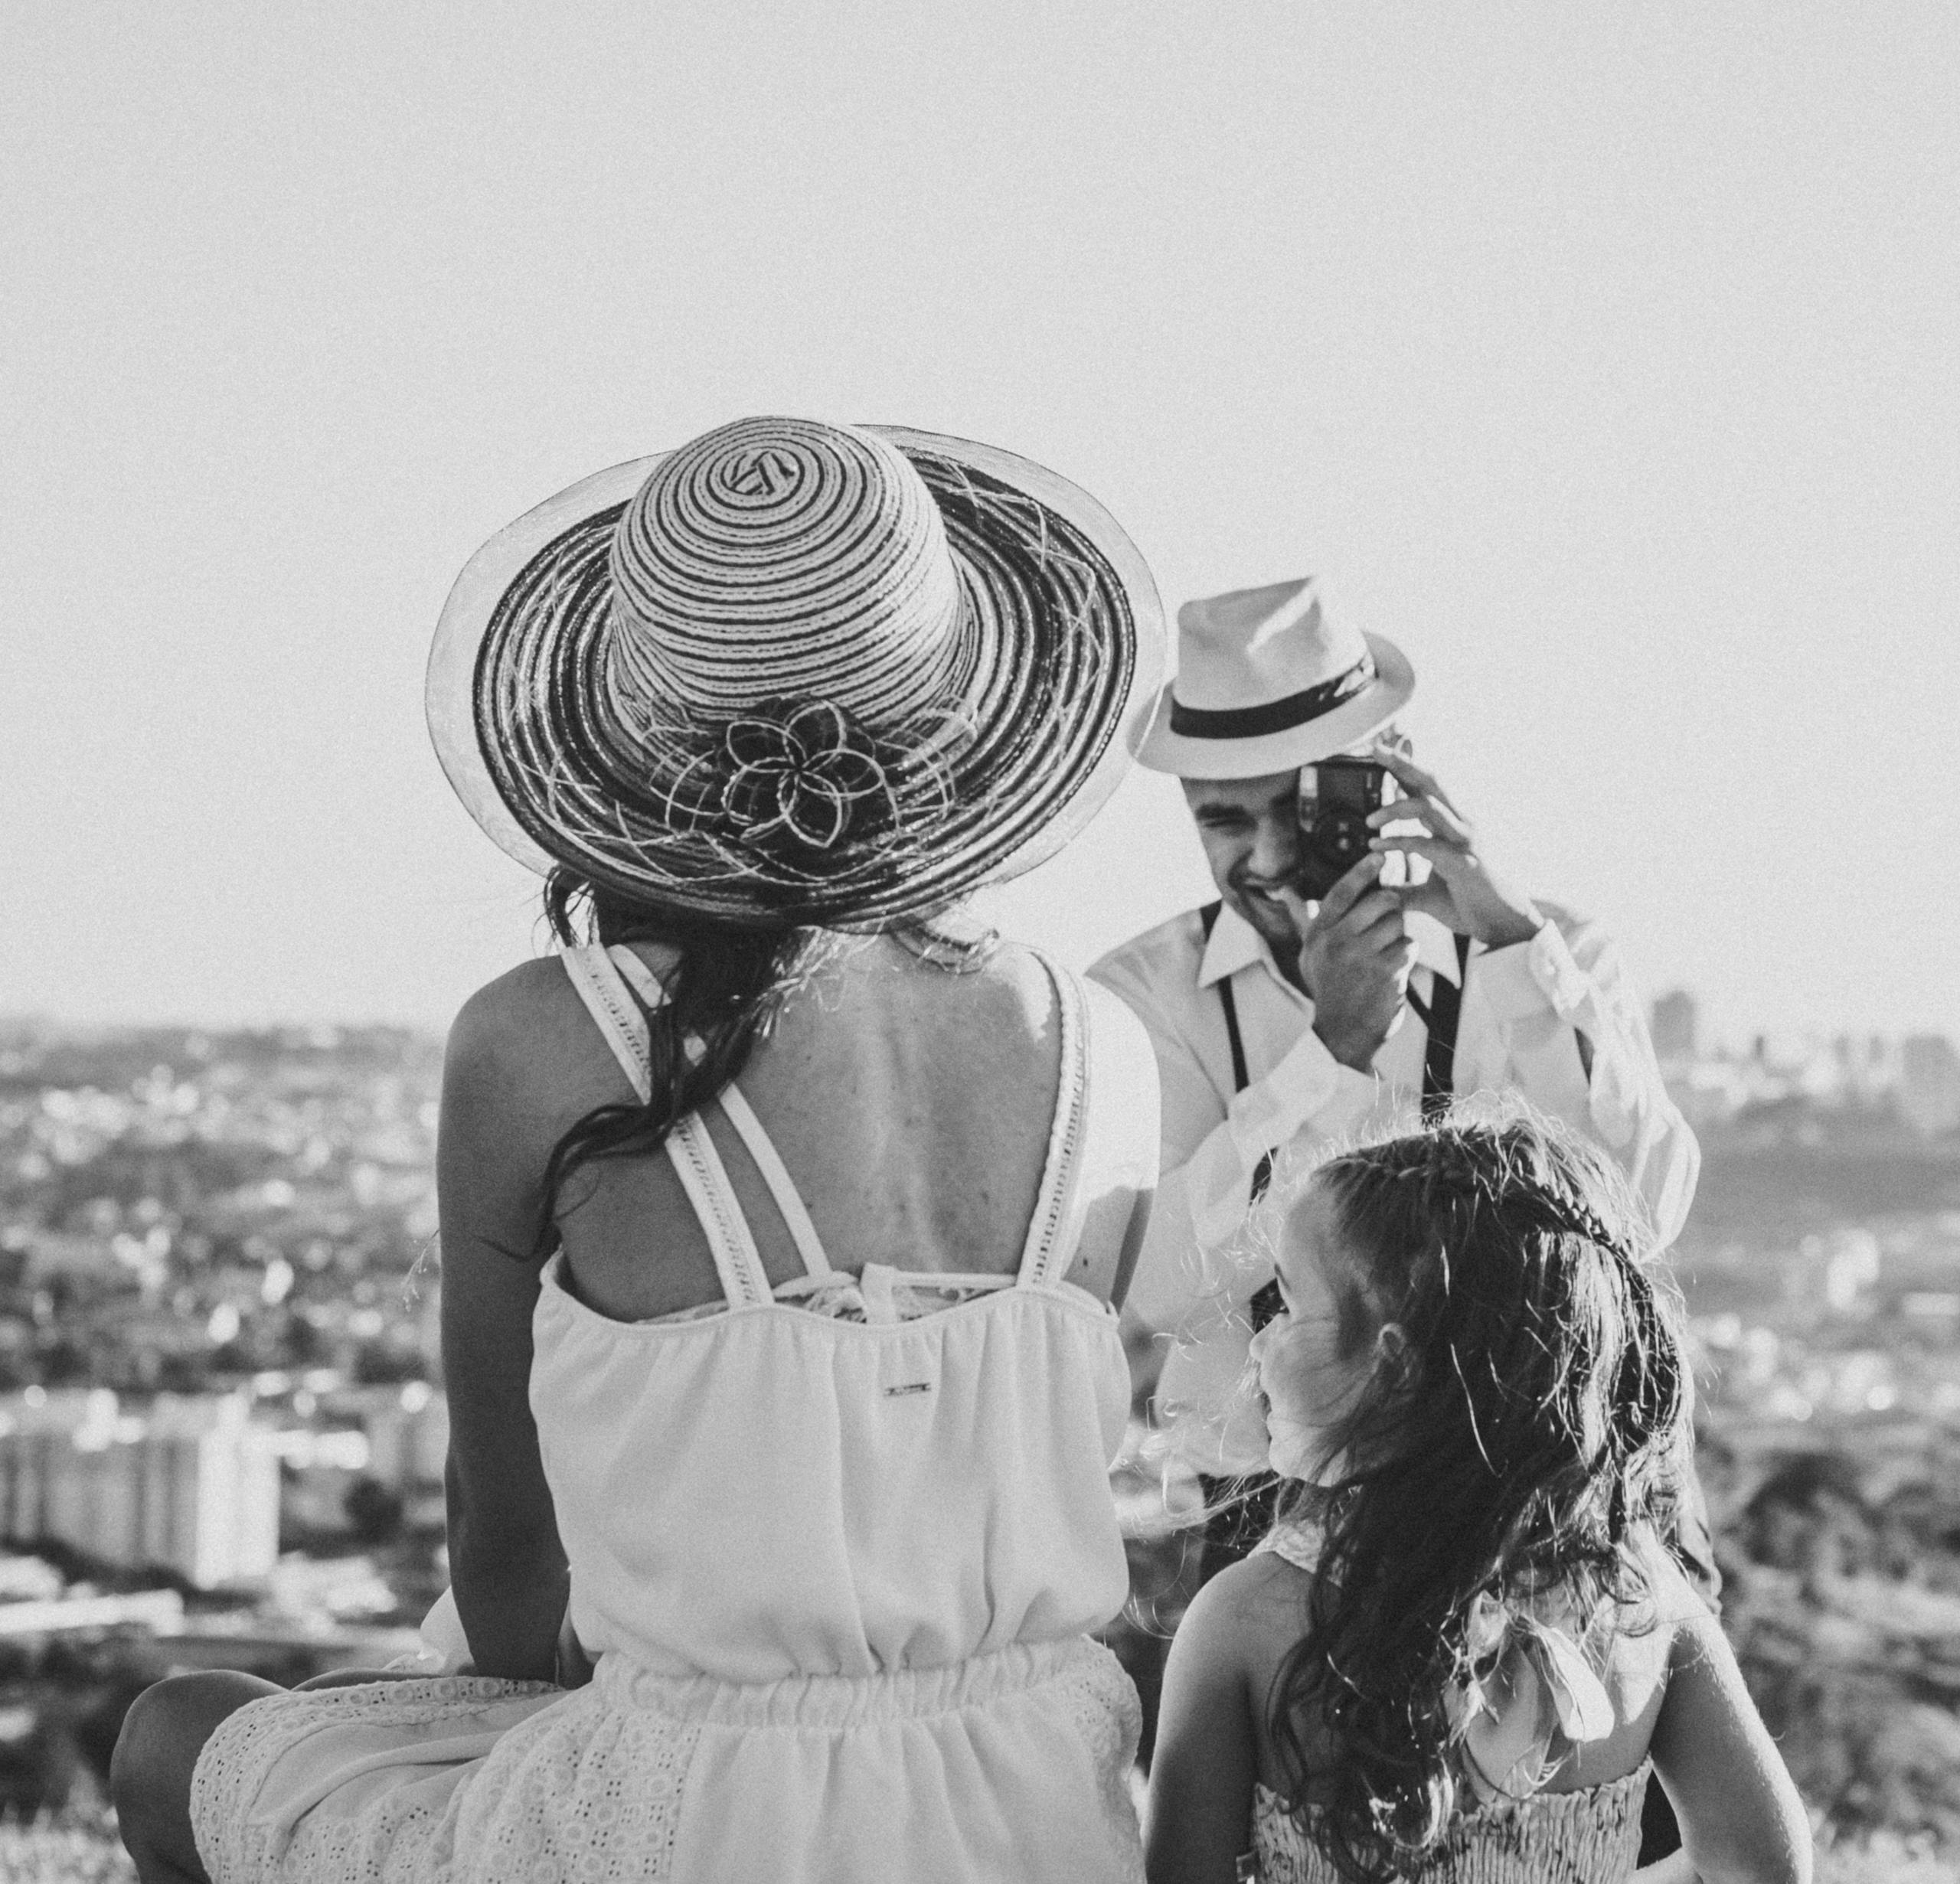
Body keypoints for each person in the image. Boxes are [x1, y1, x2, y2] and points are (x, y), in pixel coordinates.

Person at [110, 416, 1167, 1883]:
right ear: (955, 722)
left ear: (631, 747)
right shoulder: (1105, 1046)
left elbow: (503, 1547)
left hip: (703, 1821)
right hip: (1046, 1802)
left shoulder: (545, 1042)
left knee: (181, 1733)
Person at [1089, 577, 1702, 1526]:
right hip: (1279, 1502)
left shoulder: (1551, 956)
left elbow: (1639, 1209)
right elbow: (1157, 1283)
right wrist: (1326, 1056)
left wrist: (1509, 947)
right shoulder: (1147, 994)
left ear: (1394, 771)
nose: (1271, 858)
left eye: (1301, 811)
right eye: (1224, 821)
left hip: (1554, 1489)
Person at [1145, 1109, 1811, 1884]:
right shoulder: (1637, 1599)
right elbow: (1765, 1868)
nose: (1259, 1341)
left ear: (1391, 1369)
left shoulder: (1242, 1621)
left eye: (1287, 1307)